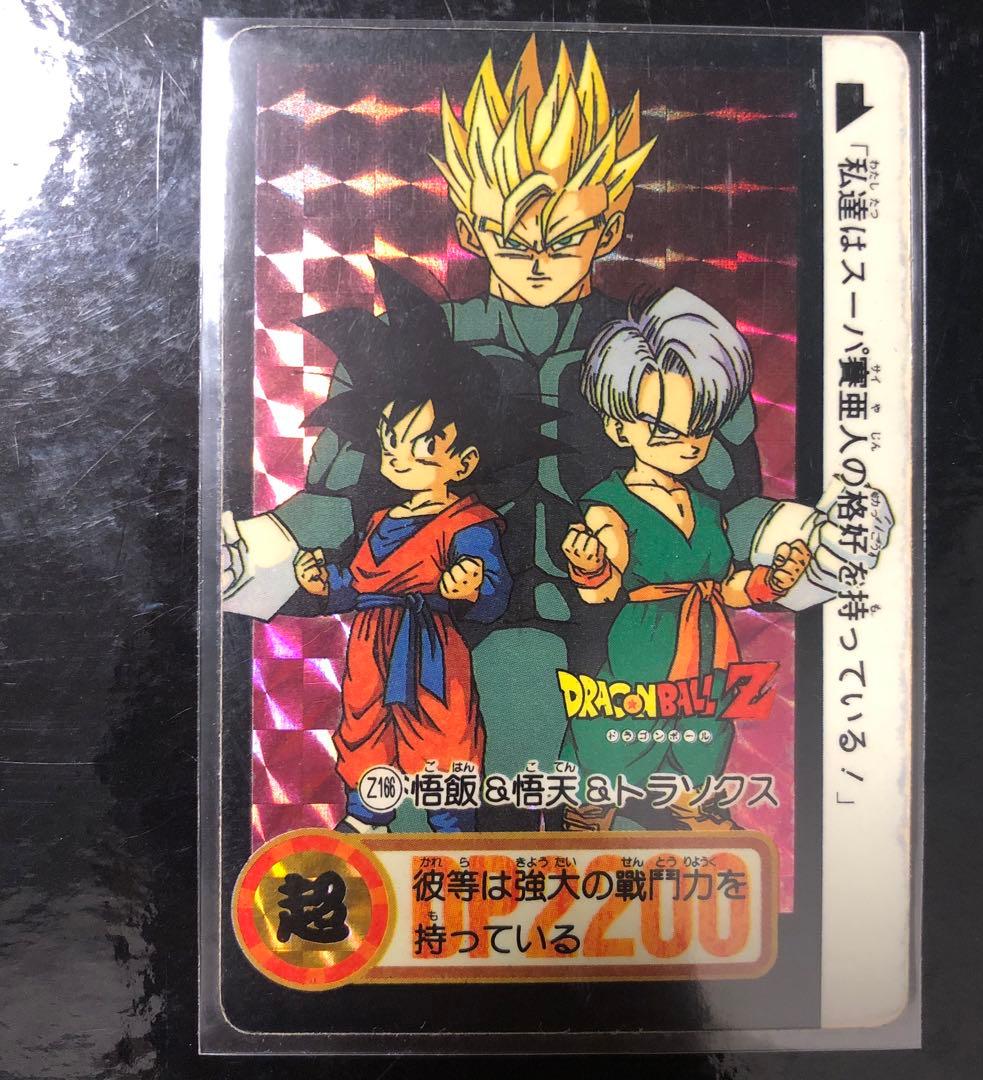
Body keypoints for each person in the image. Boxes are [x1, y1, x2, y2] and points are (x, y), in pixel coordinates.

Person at [222, 39, 893, 830]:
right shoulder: (412, 342)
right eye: (513, 239)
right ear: (471, 227)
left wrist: (815, 539)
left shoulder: (663, 350)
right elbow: (339, 503)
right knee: (428, 846)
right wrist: (252, 551)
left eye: (564, 239)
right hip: (447, 656)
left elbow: (731, 508)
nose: (537, 262)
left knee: (641, 851)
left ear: (608, 226)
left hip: (628, 659)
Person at [289, 261, 563, 833]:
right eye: (392, 445)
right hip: (371, 651)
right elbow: (357, 584)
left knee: (445, 739)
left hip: (432, 651)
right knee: (366, 733)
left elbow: (491, 594)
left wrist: (471, 587)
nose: (400, 459)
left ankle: (452, 827)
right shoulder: (382, 518)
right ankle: (366, 818)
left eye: (421, 448)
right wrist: (324, 583)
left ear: (464, 461)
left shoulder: (469, 521)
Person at [559, 288, 811, 831]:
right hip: (645, 643)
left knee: (706, 727)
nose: (687, 444)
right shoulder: (610, 504)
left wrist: (771, 581)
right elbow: (603, 589)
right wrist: (590, 564)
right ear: (619, 427)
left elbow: (727, 586)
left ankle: (697, 806)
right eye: (664, 429)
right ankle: (590, 810)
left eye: (699, 428)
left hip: (709, 642)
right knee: (623, 726)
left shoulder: (705, 506)